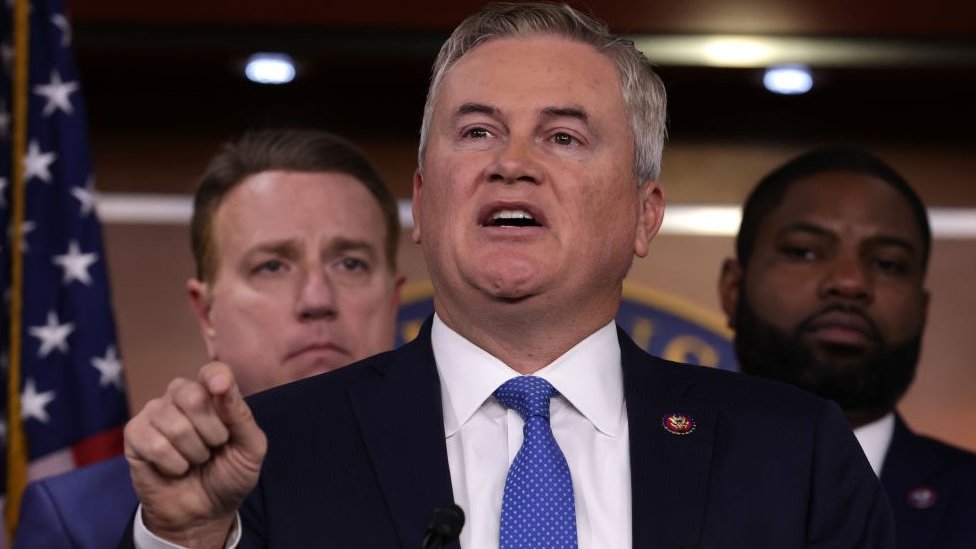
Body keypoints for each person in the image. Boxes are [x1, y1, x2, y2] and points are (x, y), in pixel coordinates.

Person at [122, 4, 894, 548]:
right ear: (423, 204)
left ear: (643, 215)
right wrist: (185, 540)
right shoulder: (274, 453)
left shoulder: (791, 454)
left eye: (562, 135)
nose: (512, 164)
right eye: (478, 131)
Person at [12, 128, 405, 548]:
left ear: (393, 298)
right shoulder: (77, 520)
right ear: (206, 313)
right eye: (272, 266)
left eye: (350, 263)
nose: (317, 298)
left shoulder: (473, 477)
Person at [718, 145, 976, 549]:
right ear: (732, 289)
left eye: (888, 263)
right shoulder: (644, 477)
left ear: (923, 310)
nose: (850, 282)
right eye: (804, 252)